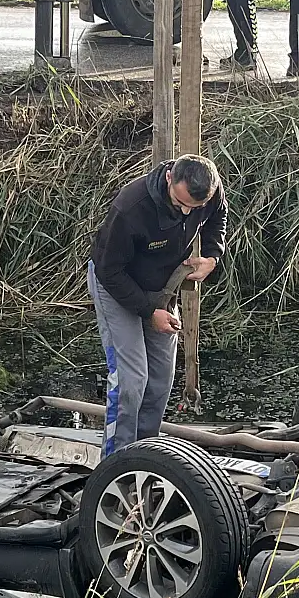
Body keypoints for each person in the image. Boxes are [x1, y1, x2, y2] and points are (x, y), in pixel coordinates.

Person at [88, 154, 228, 456]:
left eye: (195, 208)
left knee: (160, 381)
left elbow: (218, 218)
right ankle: (115, 463)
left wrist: (213, 257)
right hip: (117, 285)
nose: (187, 212)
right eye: (181, 205)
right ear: (168, 179)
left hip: (162, 288)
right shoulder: (131, 208)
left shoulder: (209, 191)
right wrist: (149, 313)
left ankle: (144, 454)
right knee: (131, 380)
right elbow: (109, 271)